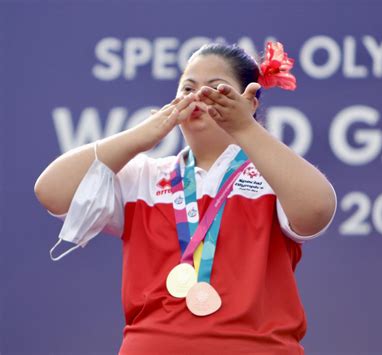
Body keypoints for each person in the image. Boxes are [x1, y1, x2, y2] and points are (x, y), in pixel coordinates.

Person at [34, 42, 337, 355]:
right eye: (188, 87)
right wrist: (139, 137)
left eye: (216, 89)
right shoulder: (143, 176)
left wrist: (245, 127)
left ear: (250, 101)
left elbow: (317, 210)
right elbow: (52, 191)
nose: (198, 97)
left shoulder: (272, 176)